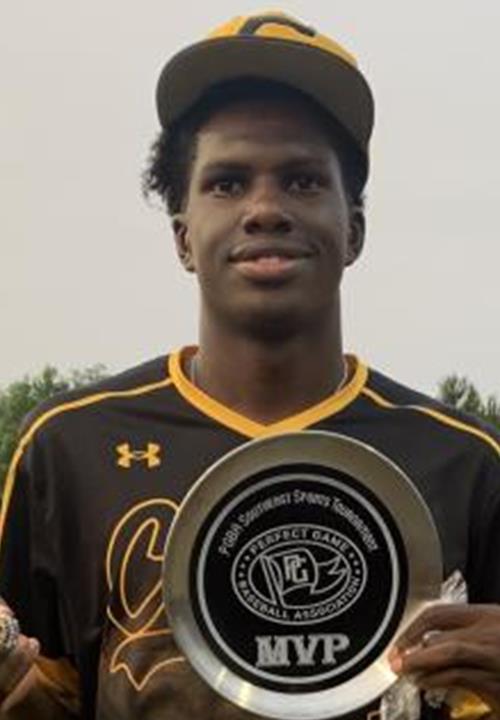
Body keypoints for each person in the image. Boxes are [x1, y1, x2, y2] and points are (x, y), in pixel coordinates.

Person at [0, 10, 499, 720]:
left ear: (353, 230)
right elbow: (49, 696)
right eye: (227, 183)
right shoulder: (67, 449)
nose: (265, 209)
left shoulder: (467, 463)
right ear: (182, 237)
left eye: (303, 181)